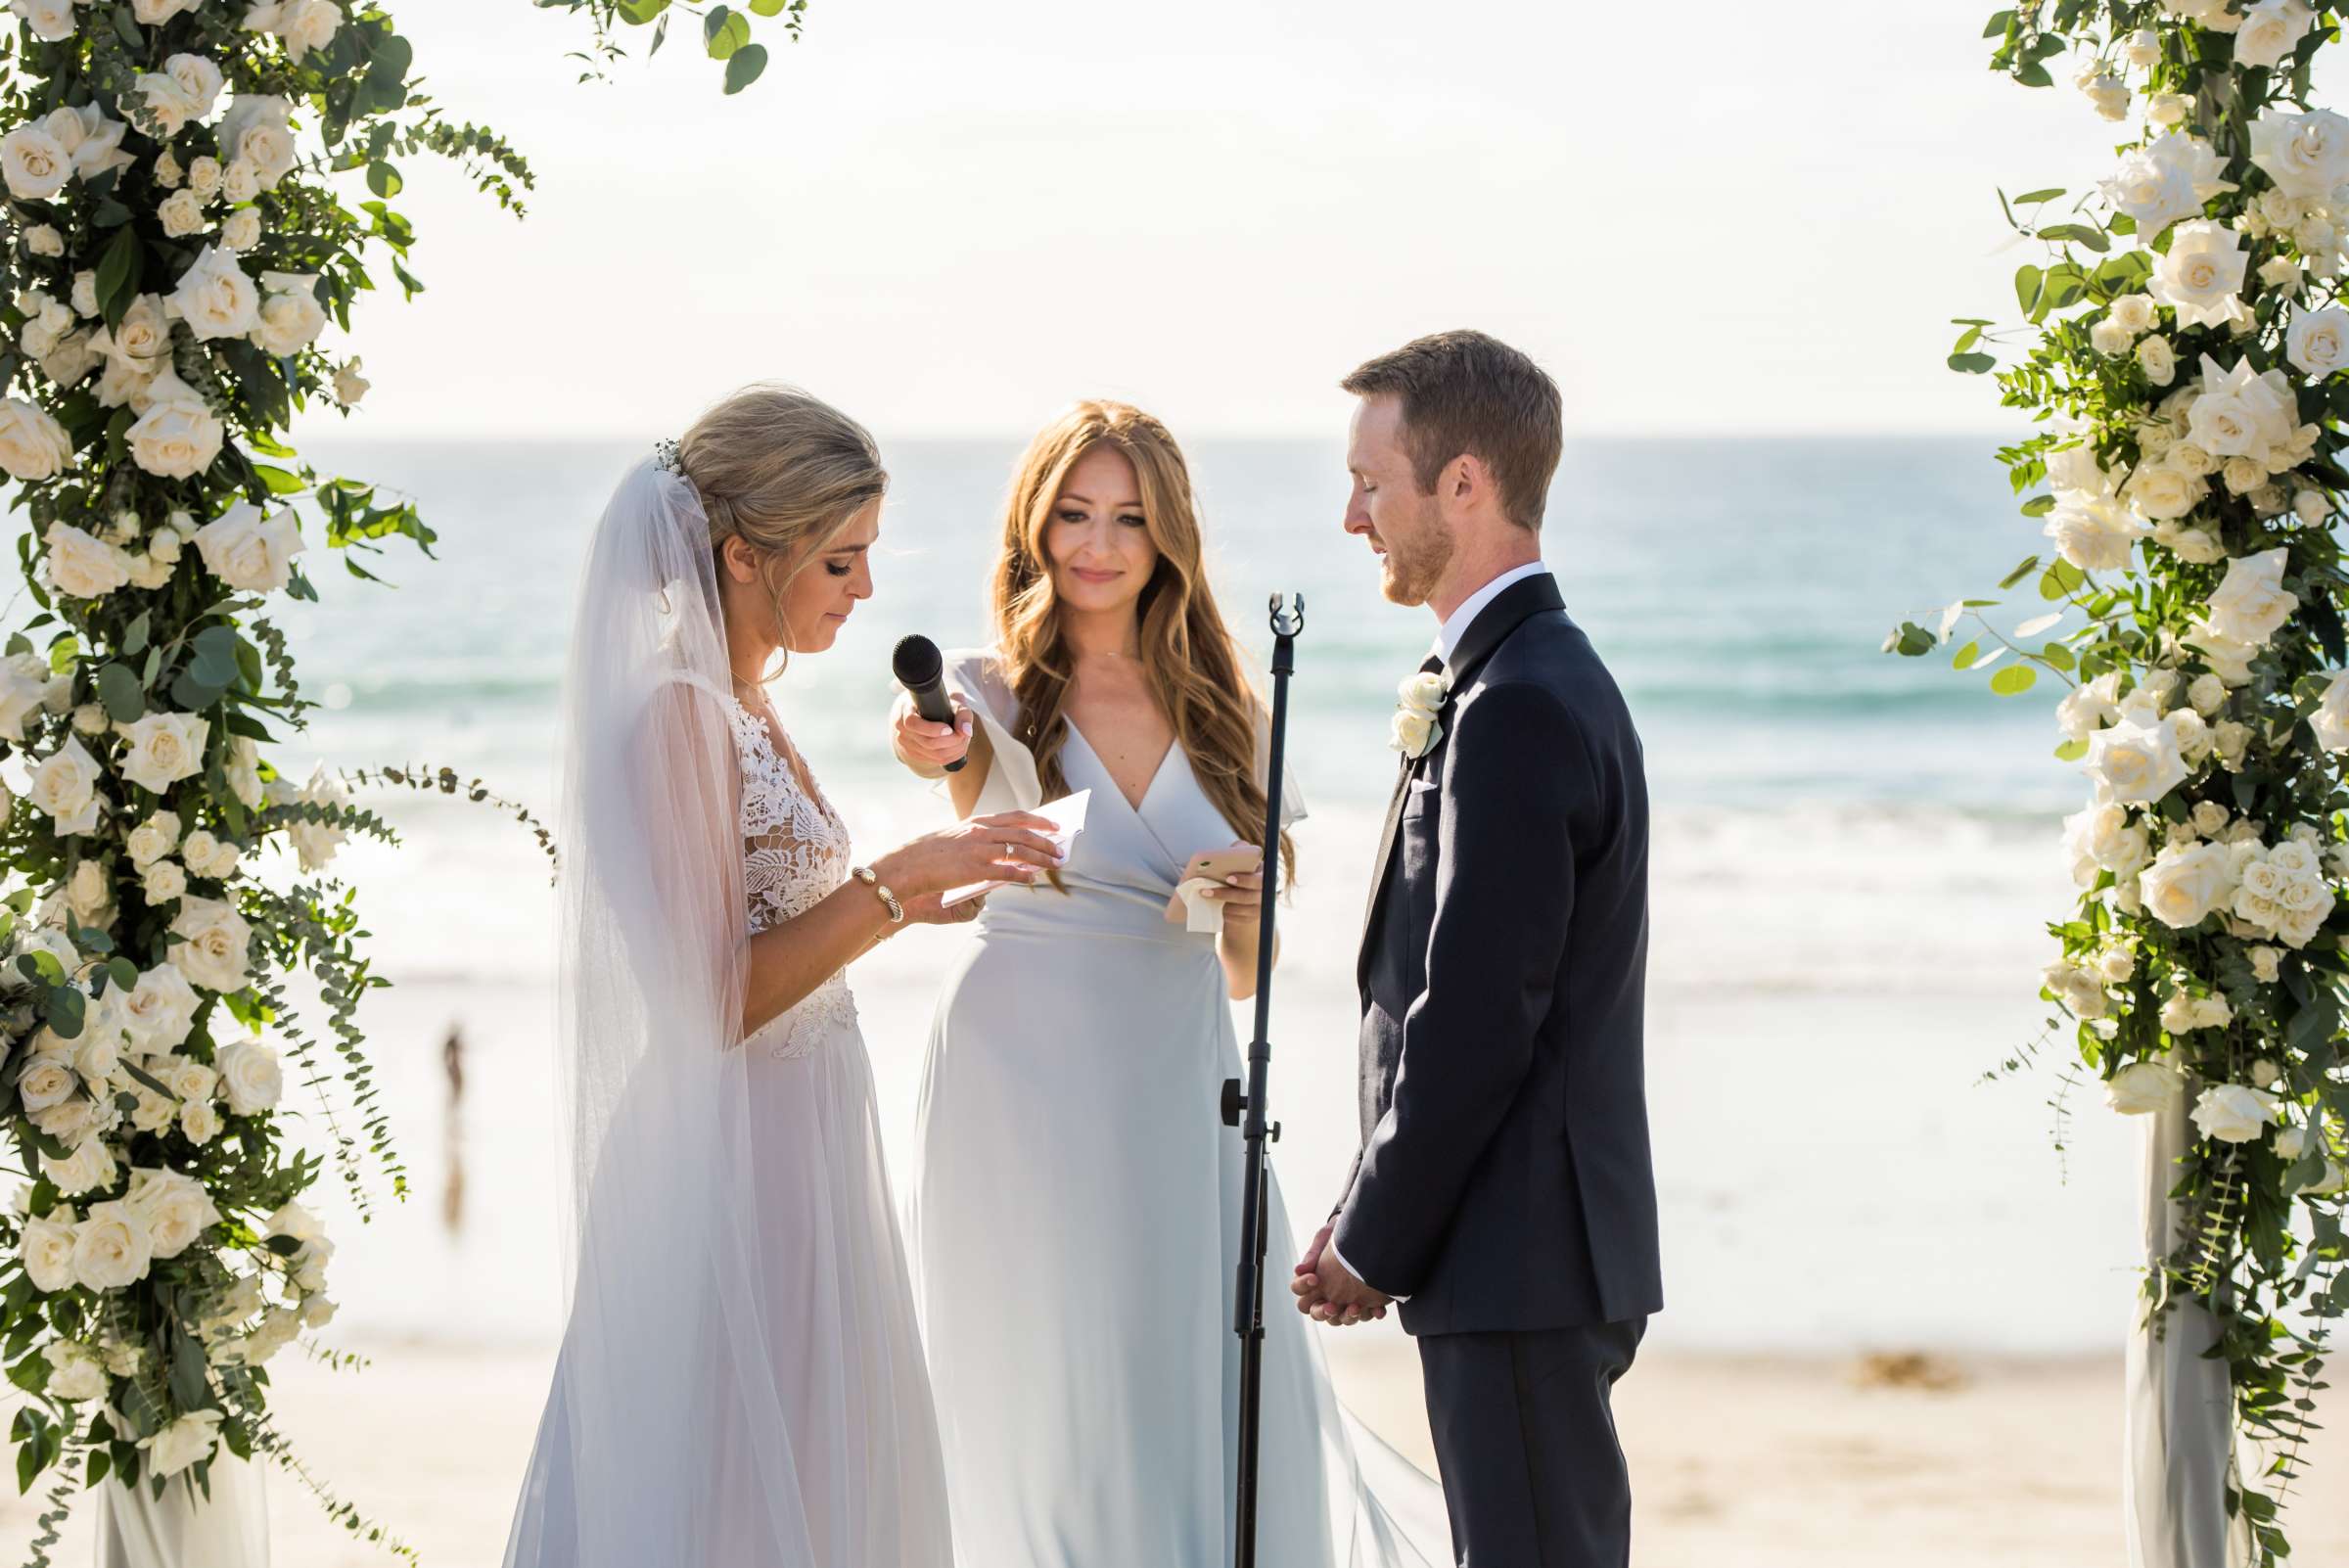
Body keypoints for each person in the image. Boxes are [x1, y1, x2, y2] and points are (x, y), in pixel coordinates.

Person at [502, 385, 1062, 1568]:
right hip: (733, 1154)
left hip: (802, 1132)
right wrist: (896, 883)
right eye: (840, 561)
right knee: (733, 1502)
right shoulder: (679, 715)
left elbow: (776, 925)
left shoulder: (748, 702)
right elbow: (713, 1001)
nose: (864, 591)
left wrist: (914, 903)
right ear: (747, 554)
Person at [891, 400, 1443, 1566]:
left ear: (1169, 536)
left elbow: (1244, 976)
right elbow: (938, 748)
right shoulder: (988, 697)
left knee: (1185, 1357)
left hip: (1183, 1075)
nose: (1099, 545)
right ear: (1035, 528)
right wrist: (928, 733)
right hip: (1016, 1072)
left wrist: (1246, 910)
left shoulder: (1233, 712)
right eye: (1076, 514)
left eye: (1130, 519)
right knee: (1046, 1376)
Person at [1293, 330, 1664, 1568]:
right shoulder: (1522, 678)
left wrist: (1370, 1239)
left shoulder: (1517, 707)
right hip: (1525, 1252)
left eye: (1371, 482)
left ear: (1463, 484)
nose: (1354, 516)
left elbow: (1474, 1017)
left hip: (1519, 1253)